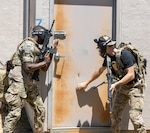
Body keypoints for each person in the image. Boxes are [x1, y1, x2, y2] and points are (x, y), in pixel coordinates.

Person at [76, 35, 147, 133]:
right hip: (123, 87)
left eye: (112, 45)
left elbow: (131, 75)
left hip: (135, 87)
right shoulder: (109, 58)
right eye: (109, 46)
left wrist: (115, 84)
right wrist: (86, 83)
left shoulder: (124, 55)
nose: (112, 48)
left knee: (135, 116)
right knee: (115, 115)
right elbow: (100, 70)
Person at [3, 25, 58, 133]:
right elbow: (27, 67)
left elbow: (44, 68)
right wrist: (44, 62)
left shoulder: (37, 48)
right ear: (40, 35)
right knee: (15, 114)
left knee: (40, 109)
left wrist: (51, 53)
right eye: (45, 36)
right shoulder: (28, 45)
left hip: (29, 83)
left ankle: (39, 131)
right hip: (19, 83)